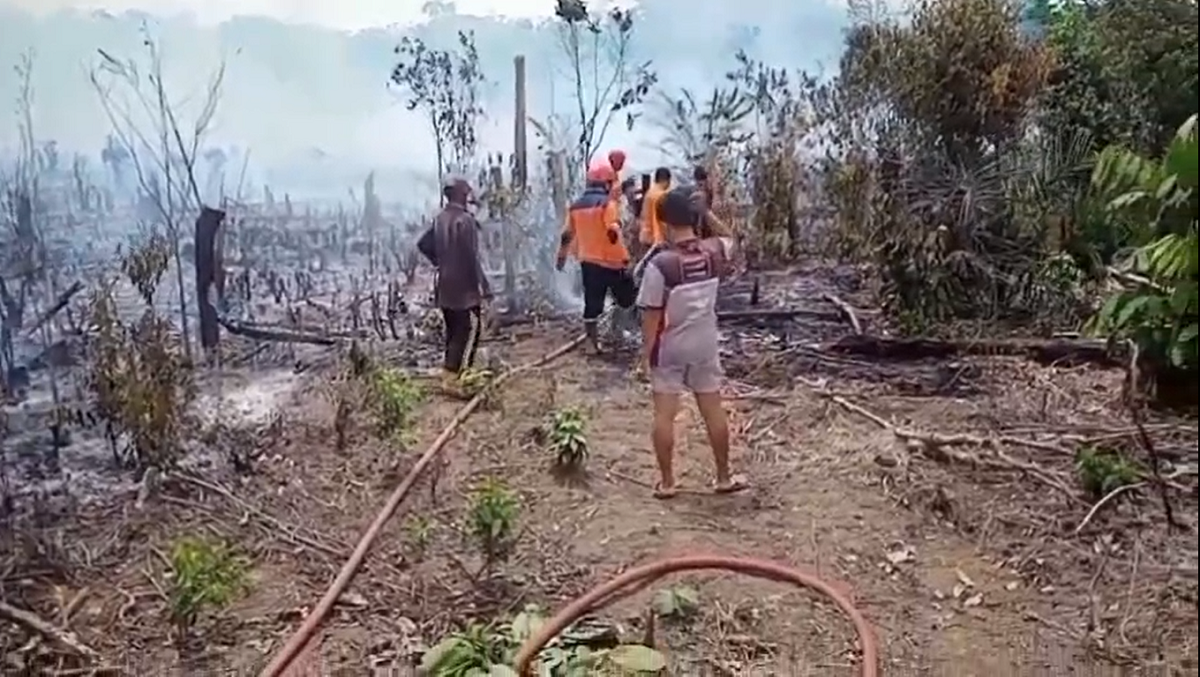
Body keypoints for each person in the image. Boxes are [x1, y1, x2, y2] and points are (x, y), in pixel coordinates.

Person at [635, 184, 747, 498]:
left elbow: (652, 316)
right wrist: (707, 212)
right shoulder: (714, 252)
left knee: (664, 415)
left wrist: (646, 355)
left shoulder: (661, 265)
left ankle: (668, 483)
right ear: (693, 216)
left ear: (665, 222)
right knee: (713, 409)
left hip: (670, 347)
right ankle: (723, 477)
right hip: (705, 344)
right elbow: (731, 239)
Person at [417, 175, 492, 396]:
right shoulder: (466, 221)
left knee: (453, 332)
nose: (469, 196)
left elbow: (423, 244)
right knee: (471, 331)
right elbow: (472, 257)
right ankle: (460, 377)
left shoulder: (440, 219)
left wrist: (441, 261)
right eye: (466, 192)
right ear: (461, 194)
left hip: (446, 285)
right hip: (464, 287)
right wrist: (484, 287)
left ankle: (450, 374)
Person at [555, 161, 635, 354]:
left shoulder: (575, 207)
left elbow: (566, 234)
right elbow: (612, 225)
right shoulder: (608, 204)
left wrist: (561, 257)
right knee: (627, 298)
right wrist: (615, 232)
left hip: (589, 262)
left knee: (592, 304)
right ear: (607, 183)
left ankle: (592, 344)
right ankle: (619, 331)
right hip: (613, 262)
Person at [639, 167, 672, 249]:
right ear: (667, 180)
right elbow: (662, 221)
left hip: (646, 236)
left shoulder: (649, 193)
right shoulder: (662, 196)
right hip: (657, 238)